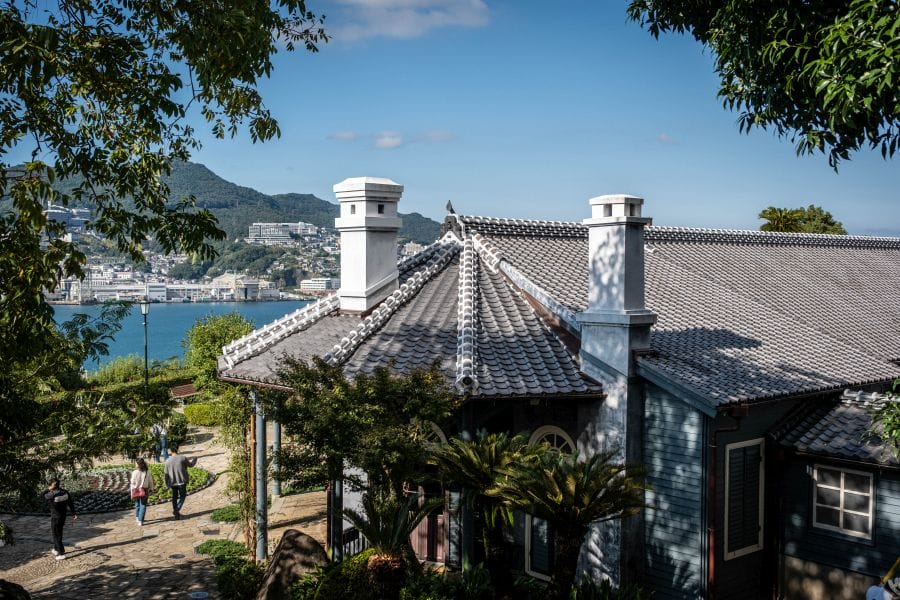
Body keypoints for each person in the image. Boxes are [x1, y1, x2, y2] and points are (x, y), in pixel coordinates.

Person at [43, 478, 77, 560]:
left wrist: (48, 490)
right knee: (59, 533)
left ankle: (61, 553)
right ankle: (55, 549)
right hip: (63, 516)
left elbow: (43, 496)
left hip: (55, 517)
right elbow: (70, 503)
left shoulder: (51, 494)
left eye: (49, 485)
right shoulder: (65, 492)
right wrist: (73, 513)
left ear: (52, 485)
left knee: (56, 534)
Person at [163, 445, 197, 520]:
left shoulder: (167, 461)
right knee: (182, 496)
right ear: (177, 449)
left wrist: (166, 484)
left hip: (173, 482)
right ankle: (177, 509)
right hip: (182, 481)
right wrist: (194, 459)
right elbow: (191, 465)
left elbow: (166, 474)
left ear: (170, 451)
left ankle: (176, 513)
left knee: (174, 498)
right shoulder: (182, 458)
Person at [129, 457, 155, 526]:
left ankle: (138, 517)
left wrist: (132, 491)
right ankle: (140, 520)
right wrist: (152, 489)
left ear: (137, 464)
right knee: (143, 505)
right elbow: (150, 482)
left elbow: (132, 482)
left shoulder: (134, 472)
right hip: (145, 490)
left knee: (137, 504)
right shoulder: (147, 471)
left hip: (136, 490)